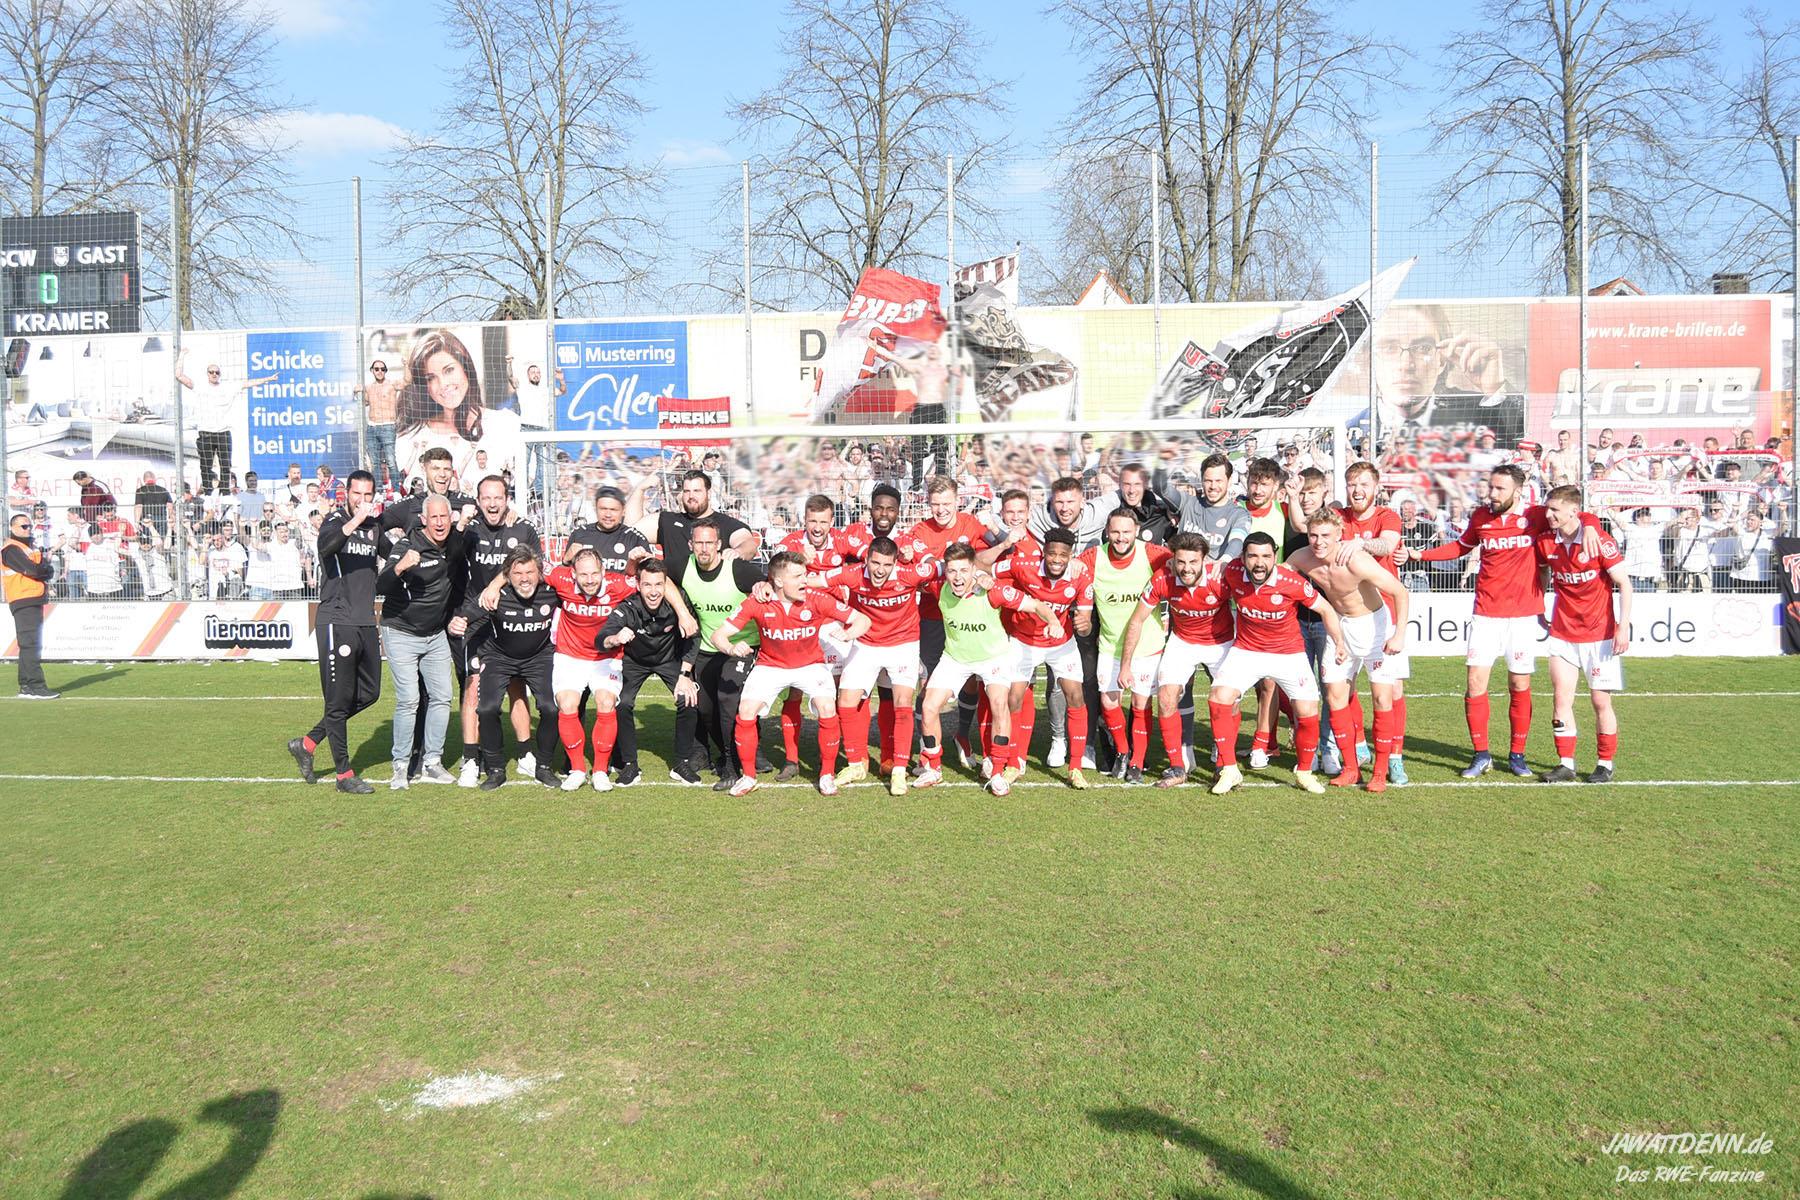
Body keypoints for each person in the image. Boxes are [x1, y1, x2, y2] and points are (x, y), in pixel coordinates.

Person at [1400, 464, 1600, 778]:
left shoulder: (1535, 516)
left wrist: (1590, 524)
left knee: (1519, 684)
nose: (1491, 494)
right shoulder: (1481, 517)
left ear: (1517, 492)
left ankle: (1516, 755)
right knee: (1474, 684)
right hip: (1485, 614)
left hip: (1522, 616)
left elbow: (1574, 513)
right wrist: (1419, 556)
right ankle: (1481, 755)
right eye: (1490, 488)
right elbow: (1461, 546)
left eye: (1499, 489)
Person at [710, 551, 871, 797]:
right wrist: (731, 648)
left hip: (810, 664)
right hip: (770, 665)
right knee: (746, 712)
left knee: (827, 708)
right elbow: (718, 635)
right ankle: (748, 777)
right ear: (778, 581)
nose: (805, 581)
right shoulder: (757, 602)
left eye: (805, 575)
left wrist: (849, 634)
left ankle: (826, 775)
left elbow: (862, 620)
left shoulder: (817, 599)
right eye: (798, 576)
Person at [1206, 533, 1349, 796]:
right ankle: (1229, 769)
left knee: (1307, 710)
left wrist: (1339, 642)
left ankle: (1304, 772)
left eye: (1265, 556)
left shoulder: (1290, 582)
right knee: (1219, 698)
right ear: (1243, 558)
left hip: (1288, 653)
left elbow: (1326, 609)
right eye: (1252, 556)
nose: (1259, 563)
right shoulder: (1233, 571)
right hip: (1247, 650)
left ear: (1275, 556)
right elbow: (1194, 565)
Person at [915, 543, 1061, 795]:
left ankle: (997, 772)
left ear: (973, 569)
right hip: (955, 658)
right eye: (952, 571)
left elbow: (1037, 605)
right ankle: (933, 767)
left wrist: (1054, 621)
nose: (958, 577)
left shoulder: (993, 592)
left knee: (998, 704)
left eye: (963, 570)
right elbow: (911, 578)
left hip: (994, 658)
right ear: (945, 572)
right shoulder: (938, 588)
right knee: (928, 707)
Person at [1287, 512, 1412, 792]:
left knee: (1382, 698)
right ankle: (1351, 769)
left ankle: (1379, 772)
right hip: (1339, 627)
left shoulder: (1355, 560)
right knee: (1334, 695)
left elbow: (1400, 592)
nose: (1319, 542)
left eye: (1326, 536)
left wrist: (1399, 634)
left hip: (1374, 628)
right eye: (1313, 535)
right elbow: (1280, 579)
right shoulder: (1301, 558)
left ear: (1338, 535)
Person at [820, 535, 941, 795]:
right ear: (866, 559)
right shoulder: (852, 574)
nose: (880, 570)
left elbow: (942, 565)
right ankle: (855, 764)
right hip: (865, 643)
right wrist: (769, 585)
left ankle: (899, 770)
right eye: (875, 563)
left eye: (887, 565)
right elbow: (814, 580)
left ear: (895, 563)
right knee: (845, 703)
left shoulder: (910, 574)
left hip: (903, 644)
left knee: (902, 705)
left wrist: (921, 555)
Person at [288, 470, 383, 794]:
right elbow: (328, 547)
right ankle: (344, 775)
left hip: (365, 621)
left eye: (368, 496)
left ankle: (308, 742)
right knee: (338, 699)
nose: (363, 501)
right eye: (357, 494)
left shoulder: (374, 528)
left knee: (370, 693)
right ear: (346, 494)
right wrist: (356, 519)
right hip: (335, 621)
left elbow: (390, 554)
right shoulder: (333, 522)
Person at [1535, 485, 1633, 784]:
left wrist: (1623, 626)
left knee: (1600, 702)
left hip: (1599, 635)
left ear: (1572, 511)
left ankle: (1605, 764)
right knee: (1560, 698)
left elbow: (1624, 584)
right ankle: (1566, 764)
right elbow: (1542, 572)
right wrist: (1541, 608)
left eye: (1554, 510)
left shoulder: (1599, 541)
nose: (1548, 514)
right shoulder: (1545, 542)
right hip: (1563, 633)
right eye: (1547, 508)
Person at [1119, 532, 1232, 788]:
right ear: (1173, 560)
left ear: (1204, 559)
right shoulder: (1163, 578)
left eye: (1193, 562)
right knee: (1167, 697)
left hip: (1221, 642)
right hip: (1182, 642)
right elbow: (1137, 620)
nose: (1186, 568)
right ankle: (1177, 767)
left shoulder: (1220, 578)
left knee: (1227, 701)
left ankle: (1225, 765)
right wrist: (1125, 664)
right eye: (1181, 562)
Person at [995, 526, 1095, 788]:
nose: (1057, 560)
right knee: (1013, 697)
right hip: (1023, 641)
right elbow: (985, 567)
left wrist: (1084, 624)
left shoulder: (1080, 577)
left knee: (1075, 694)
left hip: (1061, 642)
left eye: (1063, 555)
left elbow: (1086, 622)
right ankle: (1015, 763)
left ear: (1071, 555)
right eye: (1052, 554)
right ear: (1043, 554)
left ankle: (1075, 767)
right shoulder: (1022, 566)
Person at [672, 517, 766, 790]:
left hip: (741, 647)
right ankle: (726, 754)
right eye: (698, 543)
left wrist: (763, 586)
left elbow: (768, 586)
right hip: (706, 648)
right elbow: (658, 577)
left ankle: (731, 764)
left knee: (728, 699)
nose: (703, 549)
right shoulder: (683, 566)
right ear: (690, 544)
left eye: (709, 543)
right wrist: (680, 610)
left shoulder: (738, 570)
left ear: (719, 545)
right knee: (706, 709)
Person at [378, 494, 464, 789]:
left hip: (435, 633)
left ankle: (432, 762)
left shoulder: (453, 543)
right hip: (400, 632)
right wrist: (400, 567)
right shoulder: (407, 546)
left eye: (445, 517)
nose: (440, 523)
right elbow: (381, 584)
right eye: (434, 517)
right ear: (423, 519)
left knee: (442, 697)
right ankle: (400, 766)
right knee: (410, 700)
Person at [463, 547, 565, 790]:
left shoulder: (551, 592)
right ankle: (496, 769)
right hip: (500, 657)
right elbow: (469, 612)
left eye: (529, 571)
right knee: (487, 709)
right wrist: (460, 620)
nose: (524, 578)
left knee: (551, 708)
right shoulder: (497, 594)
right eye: (518, 573)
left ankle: (543, 766)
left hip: (539, 657)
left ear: (539, 572)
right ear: (508, 575)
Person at [1082, 509, 1172, 784]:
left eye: (1126, 532)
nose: (1121, 538)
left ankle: (1137, 760)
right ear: (1107, 532)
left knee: (1140, 702)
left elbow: (1182, 564)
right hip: (1110, 645)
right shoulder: (1094, 557)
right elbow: (1070, 568)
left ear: (1136, 531)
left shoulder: (1153, 554)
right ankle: (1122, 750)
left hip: (1148, 645)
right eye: (1115, 532)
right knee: (1109, 701)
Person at [597, 558, 703, 786]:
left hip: (669, 659)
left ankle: (682, 763)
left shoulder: (678, 603)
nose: (653, 592)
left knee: (689, 698)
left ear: (665, 585)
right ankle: (629, 765)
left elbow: (694, 637)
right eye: (647, 585)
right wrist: (615, 638)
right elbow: (601, 638)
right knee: (622, 702)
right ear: (638, 584)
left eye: (658, 585)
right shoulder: (627, 607)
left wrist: (685, 675)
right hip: (634, 661)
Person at [393, 328, 524, 489]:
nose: (443, 384)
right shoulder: (411, 435)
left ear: (465, 367)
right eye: (431, 378)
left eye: (449, 370)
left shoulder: (506, 423)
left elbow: (523, 479)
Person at [1371, 305, 1524, 441]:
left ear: (1442, 360)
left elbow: (1518, 440)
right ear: (1371, 360)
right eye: (1389, 348)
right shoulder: (1350, 426)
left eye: (1422, 348)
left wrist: (1495, 389)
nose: (1405, 365)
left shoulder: (1476, 414)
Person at [175, 355, 279, 494]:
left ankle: (224, 492)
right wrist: (182, 355)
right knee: (205, 466)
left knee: (225, 465)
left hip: (223, 432)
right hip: (206, 432)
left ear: (220, 375)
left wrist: (268, 379)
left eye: (217, 372)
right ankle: (208, 491)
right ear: (207, 374)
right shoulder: (200, 387)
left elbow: (248, 383)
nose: (214, 374)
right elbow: (179, 376)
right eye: (211, 372)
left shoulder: (228, 387)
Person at [4, 510, 57, 699]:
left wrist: (41, 570)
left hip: (33, 598)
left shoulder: (29, 547)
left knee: (29, 644)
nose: (28, 529)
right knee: (31, 644)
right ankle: (36, 686)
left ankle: (26, 686)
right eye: (23, 526)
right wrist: (41, 570)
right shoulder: (11, 548)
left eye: (29, 526)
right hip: (23, 599)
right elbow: (33, 570)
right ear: (12, 527)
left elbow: (46, 570)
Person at [359, 359, 404, 488]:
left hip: (388, 425)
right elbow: (365, 402)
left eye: (382, 369)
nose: (379, 371)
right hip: (372, 426)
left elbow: (407, 381)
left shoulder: (392, 385)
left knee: (390, 460)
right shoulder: (369, 387)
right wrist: (358, 393)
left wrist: (406, 365)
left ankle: (396, 489)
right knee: (374, 462)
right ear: (372, 370)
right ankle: (378, 489)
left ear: (385, 371)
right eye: (377, 369)